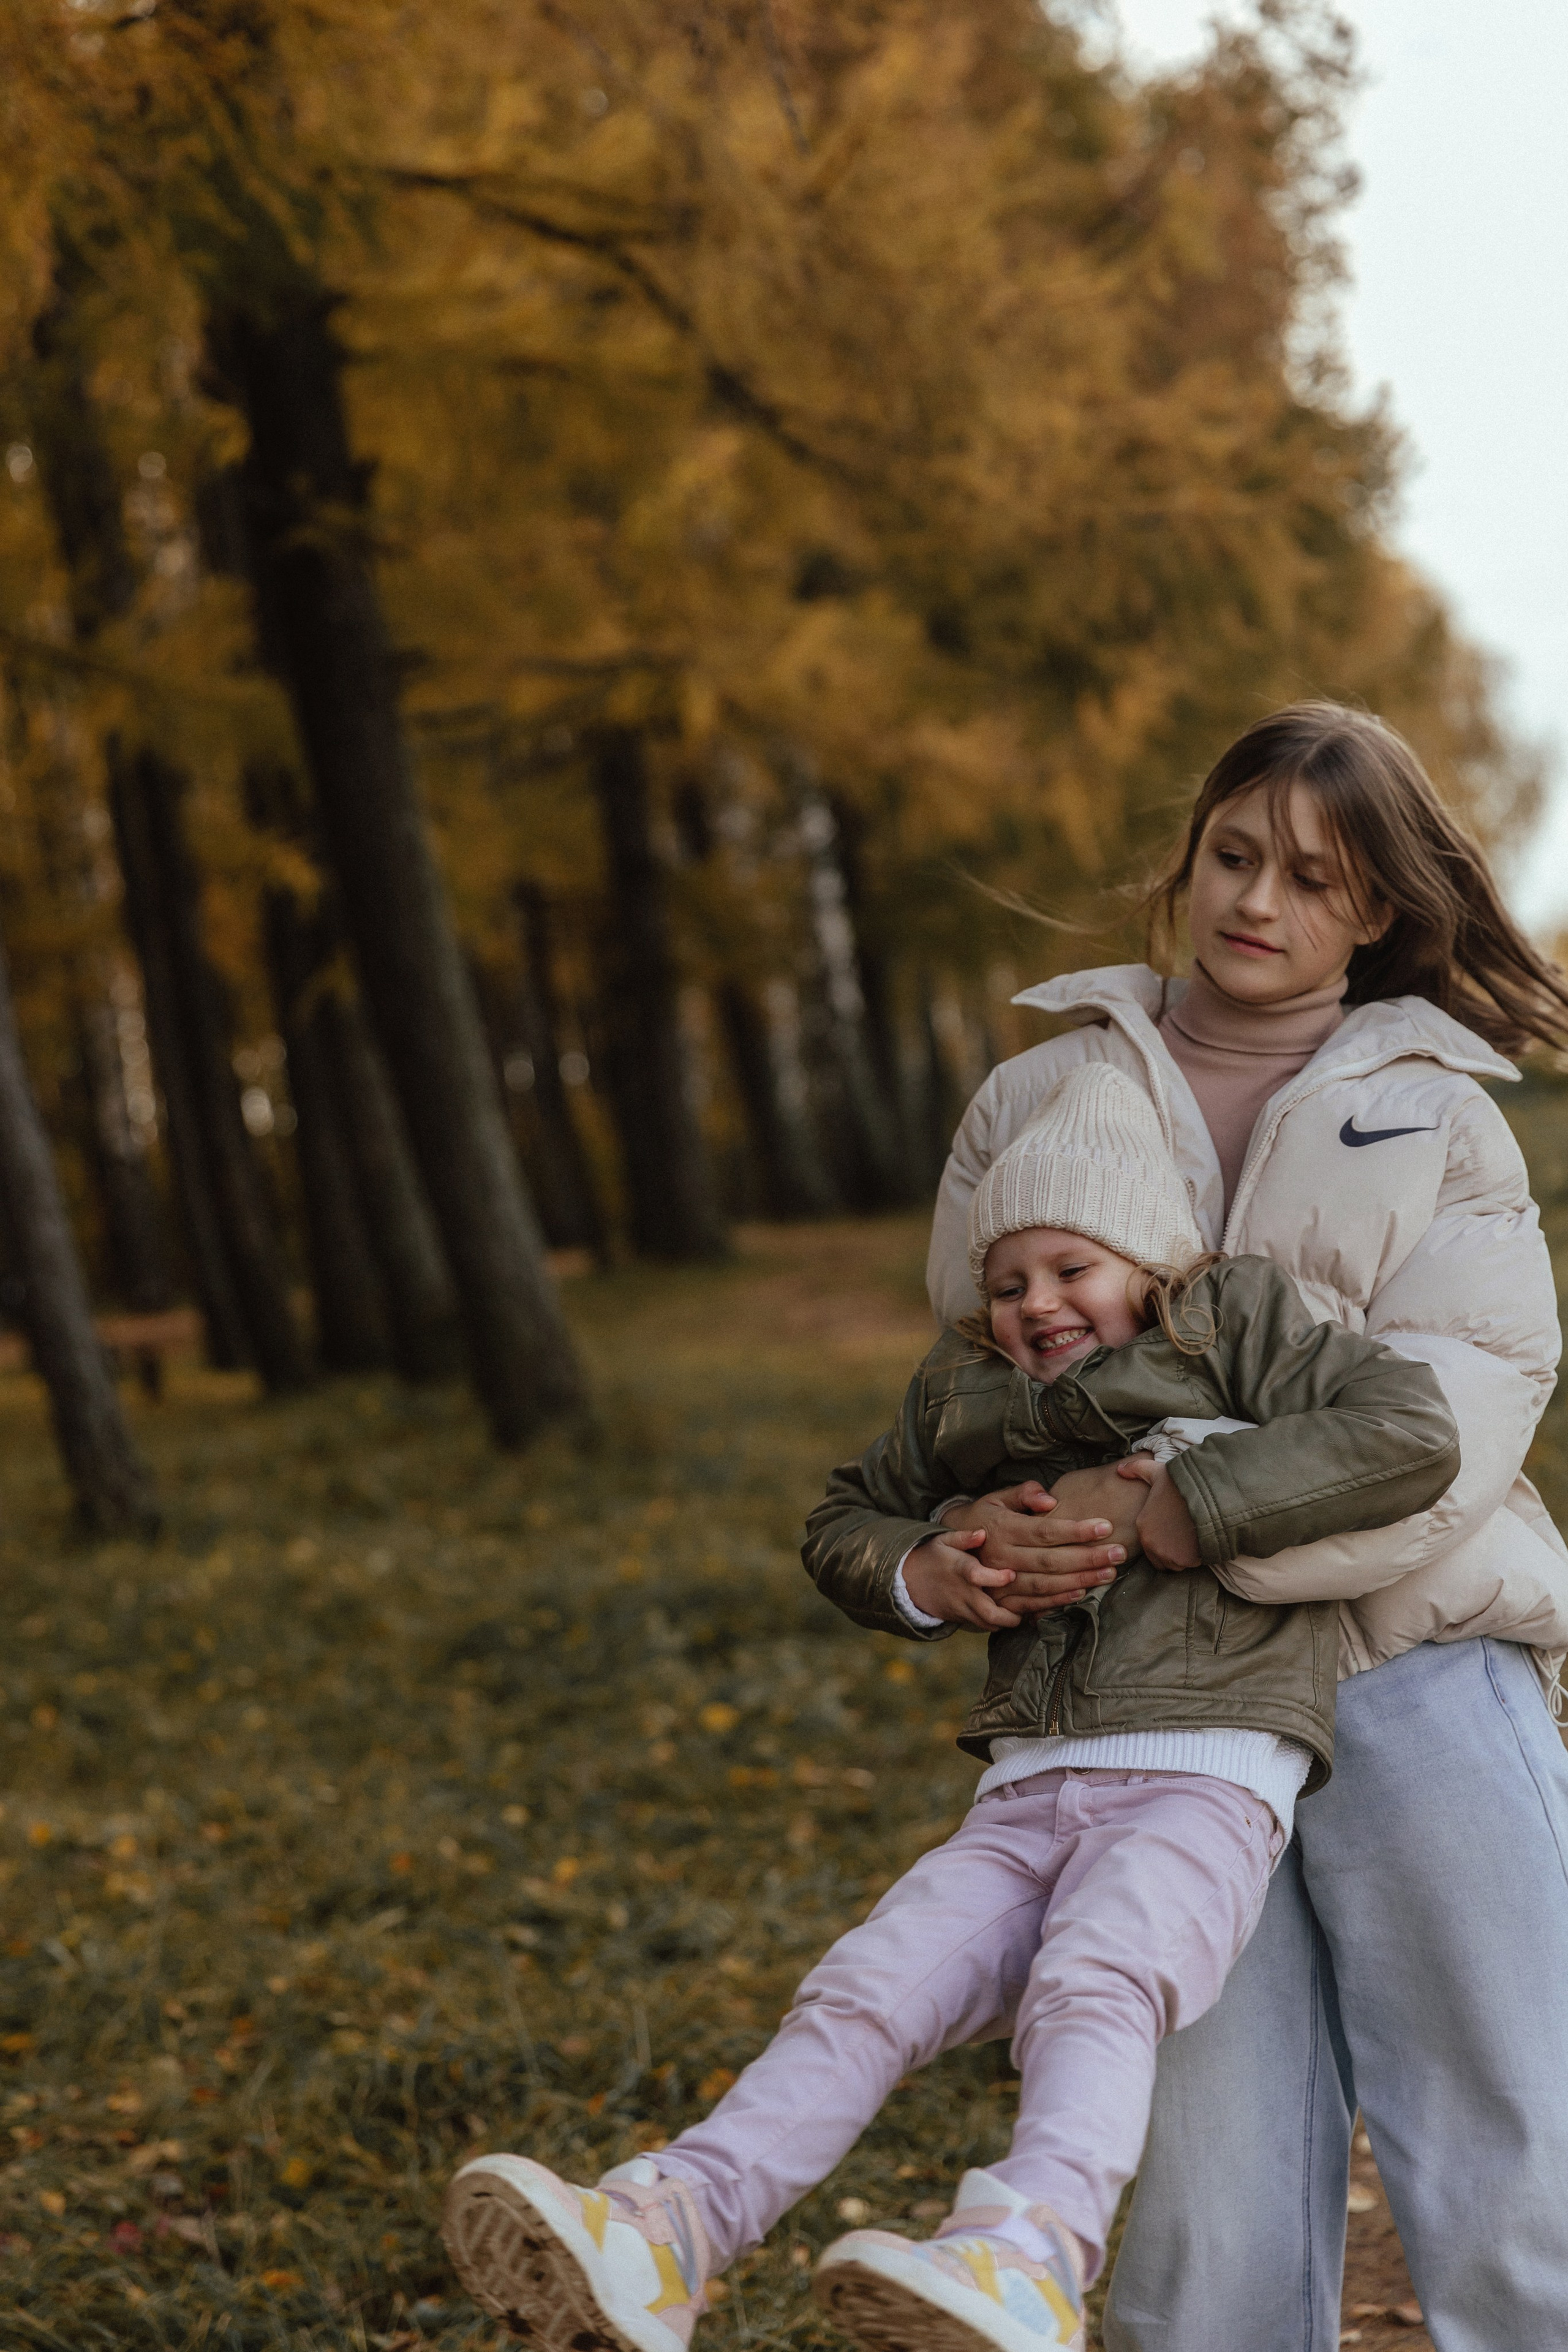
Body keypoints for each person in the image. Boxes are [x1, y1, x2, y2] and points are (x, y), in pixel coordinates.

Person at [440, 1060, 1460, 2352]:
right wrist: (924, 1565)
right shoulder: (959, 1392)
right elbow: (839, 1519)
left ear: (1146, 1262)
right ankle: (668, 2232)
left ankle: (1027, 2256)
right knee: (864, 1985)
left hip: (1201, 1771)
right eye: (1005, 1282)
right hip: (1025, 1784)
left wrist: (1187, 1502)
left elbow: (1404, 1429)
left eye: (1070, 1269)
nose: (1035, 1306)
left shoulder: (1231, 1323)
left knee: (1094, 1978)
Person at [921, 702, 1568, 2351]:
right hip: (1161, 1727)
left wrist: (1178, 1513)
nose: (1256, 903)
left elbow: (1453, 1423)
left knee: (1518, 2169)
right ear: (1190, 852)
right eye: (1233, 854)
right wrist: (979, 1534)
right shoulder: (1036, 1093)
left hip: (1414, 1672)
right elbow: (972, 1382)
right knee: (1205, 2224)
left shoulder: (1444, 1117)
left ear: (1377, 913)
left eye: (1312, 878)